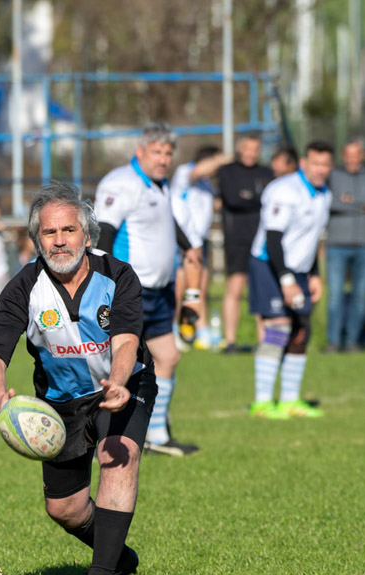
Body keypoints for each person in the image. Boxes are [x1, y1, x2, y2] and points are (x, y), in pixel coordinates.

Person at [0, 182, 152, 575]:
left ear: (87, 236)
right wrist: (2, 399)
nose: (59, 241)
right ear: (37, 241)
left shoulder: (118, 275)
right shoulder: (24, 286)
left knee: (118, 457)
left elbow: (127, 339)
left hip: (122, 386)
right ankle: (118, 558)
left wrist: (119, 380)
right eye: (49, 234)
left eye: (68, 231)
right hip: (60, 402)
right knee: (65, 509)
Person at [95, 123, 202, 456]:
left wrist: (189, 247)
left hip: (160, 291)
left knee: (168, 356)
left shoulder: (161, 185)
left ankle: (156, 435)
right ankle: (102, 433)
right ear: (140, 151)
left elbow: (168, 223)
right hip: (131, 291)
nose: (164, 159)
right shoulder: (121, 183)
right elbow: (105, 235)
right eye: (157, 152)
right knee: (119, 364)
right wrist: (107, 285)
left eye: (168, 153)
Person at [246, 141, 334, 420]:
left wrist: (314, 275)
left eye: (326, 164)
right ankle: (261, 403)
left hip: (299, 270)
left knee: (301, 331)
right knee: (278, 329)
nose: (320, 169)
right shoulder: (284, 190)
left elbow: (311, 240)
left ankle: (289, 401)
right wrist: (286, 280)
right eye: (315, 163)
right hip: (268, 264)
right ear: (304, 163)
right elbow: (273, 239)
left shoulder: (324, 195)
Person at [216, 134, 275, 353]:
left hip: (261, 241)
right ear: (240, 149)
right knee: (235, 289)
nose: (251, 153)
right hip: (237, 240)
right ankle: (230, 341)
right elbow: (233, 198)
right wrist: (254, 198)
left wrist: (248, 197)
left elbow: (268, 199)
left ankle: (264, 341)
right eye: (247, 148)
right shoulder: (228, 171)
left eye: (255, 149)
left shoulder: (266, 173)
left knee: (261, 290)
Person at [325, 137, 365, 352]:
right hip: (337, 243)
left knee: (360, 295)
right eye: (348, 155)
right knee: (335, 296)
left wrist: (349, 200)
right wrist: (362, 203)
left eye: (355, 154)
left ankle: (352, 341)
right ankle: (333, 341)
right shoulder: (333, 176)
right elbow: (331, 201)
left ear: (363, 155)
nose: (352, 159)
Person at [170, 145, 229, 350]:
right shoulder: (186, 172)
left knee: (200, 286)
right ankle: (174, 328)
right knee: (180, 286)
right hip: (182, 241)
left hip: (200, 242)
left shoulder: (206, 184)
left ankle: (201, 329)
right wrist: (225, 158)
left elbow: (217, 204)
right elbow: (198, 171)